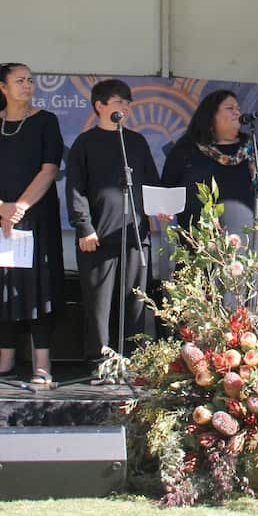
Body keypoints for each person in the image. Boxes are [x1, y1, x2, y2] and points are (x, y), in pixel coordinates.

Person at [0, 63, 65, 384]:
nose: (27, 85)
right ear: (2, 87)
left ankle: (42, 362)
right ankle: (5, 357)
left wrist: (19, 207)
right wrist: (0, 208)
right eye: (20, 80)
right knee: (0, 280)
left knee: (37, 284)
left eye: (30, 80)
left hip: (35, 216)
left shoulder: (45, 122)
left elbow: (49, 169)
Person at [66, 79, 162, 371]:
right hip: (97, 238)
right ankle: (100, 360)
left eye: (128, 103)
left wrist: (160, 209)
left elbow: (151, 181)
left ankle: (132, 360)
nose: (126, 108)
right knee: (99, 304)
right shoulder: (85, 143)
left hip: (134, 236)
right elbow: (75, 188)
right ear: (100, 106)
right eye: (119, 102)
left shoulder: (135, 141)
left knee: (134, 301)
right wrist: (83, 226)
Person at [161, 89, 258, 237]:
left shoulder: (251, 147)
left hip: (248, 242)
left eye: (238, 109)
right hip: (201, 243)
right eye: (230, 108)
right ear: (211, 115)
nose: (237, 113)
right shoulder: (187, 149)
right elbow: (167, 187)